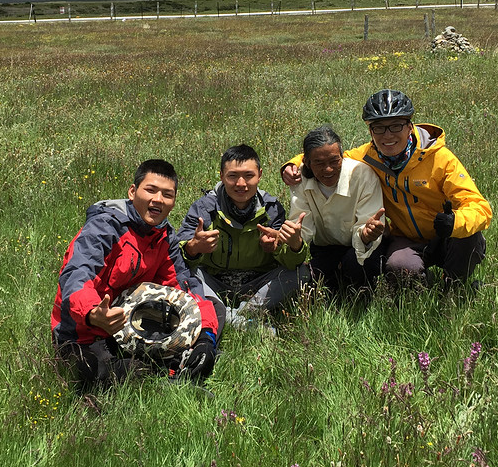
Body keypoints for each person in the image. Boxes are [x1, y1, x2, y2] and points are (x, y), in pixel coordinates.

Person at [283, 89, 491, 288]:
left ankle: (454, 286)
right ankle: (424, 286)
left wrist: (455, 222)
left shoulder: (440, 158)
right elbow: (328, 157)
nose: (387, 135)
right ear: (370, 131)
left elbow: (479, 207)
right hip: (407, 238)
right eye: (379, 128)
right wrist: (292, 165)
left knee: (468, 235)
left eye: (396, 126)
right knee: (400, 267)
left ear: (410, 126)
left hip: (447, 235)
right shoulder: (367, 155)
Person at [51, 159, 219, 392]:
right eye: (150, 190)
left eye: (167, 195)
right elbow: (76, 275)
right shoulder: (104, 227)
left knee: (210, 316)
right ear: (132, 192)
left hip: (131, 327)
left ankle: (168, 371)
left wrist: (206, 338)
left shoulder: (165, 237)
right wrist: (92, 313)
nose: (158, 200)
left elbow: (184, 286)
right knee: (86, 371)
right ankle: (161, 379)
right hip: (82, 332)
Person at [176, 144, 309, 331]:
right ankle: (239, 319)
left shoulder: (271, 208)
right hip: (214, 282)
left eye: (248, 176)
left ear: (260, 175)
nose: (241, 184)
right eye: (232, 176)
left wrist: (291, 245)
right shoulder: (204, 208)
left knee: (301, 273)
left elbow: (290, 262)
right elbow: (178, 255)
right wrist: (193, 247)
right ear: (221, 176)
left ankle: (236, 314)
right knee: (181, 274)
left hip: (257, 285)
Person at [289, 125, 387, 296]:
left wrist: (366, 234)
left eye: (334, 161)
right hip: (325, 249)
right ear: (307, 162)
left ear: (343, 156)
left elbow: (367, 224)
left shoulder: (363, 175)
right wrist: (289, 239)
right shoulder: (301, 180)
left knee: (356, 267)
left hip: (361, 247)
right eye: (319, 163)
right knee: (310, 283)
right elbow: (302, 228)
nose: (328, 169)